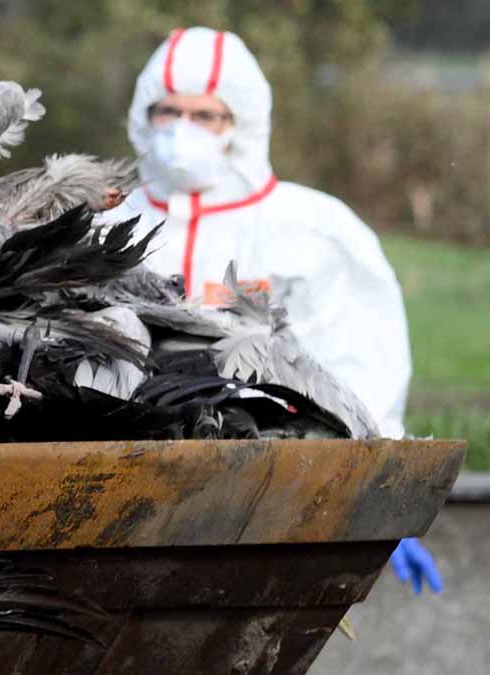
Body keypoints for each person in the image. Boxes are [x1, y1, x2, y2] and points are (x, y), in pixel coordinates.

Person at [106, 26, 440, 594]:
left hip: (270, 496)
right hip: (122, 497)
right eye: (169, 111)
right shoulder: (105, 225)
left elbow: (360, 363)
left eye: (205, 115)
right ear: (144, 115)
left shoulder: (312, 231)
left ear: (241, 122)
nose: (182, 129)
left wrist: (383, 491)